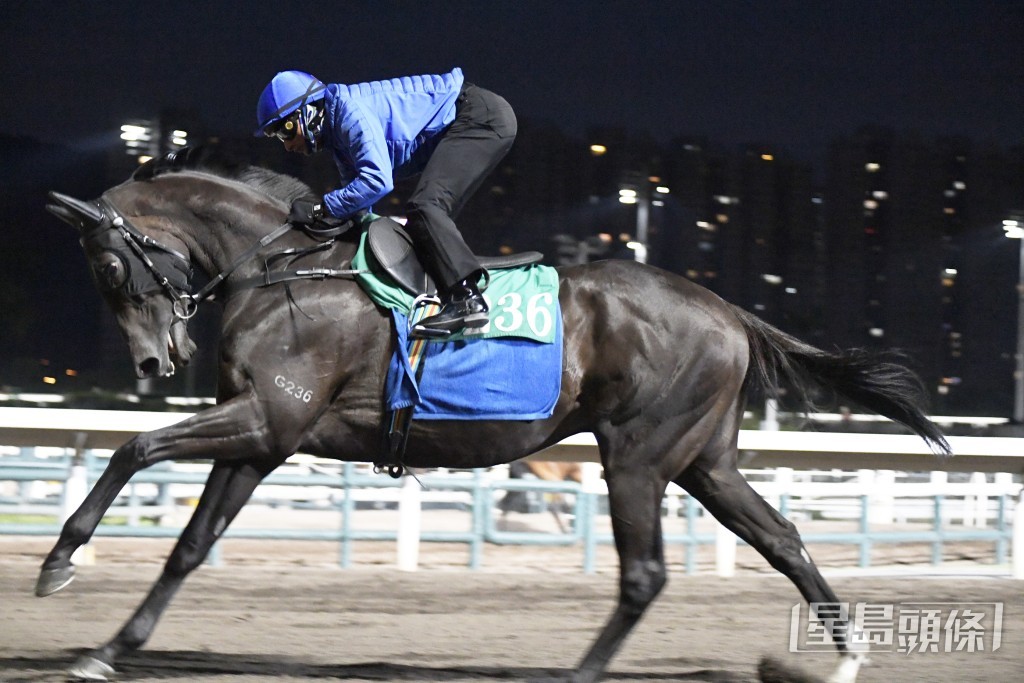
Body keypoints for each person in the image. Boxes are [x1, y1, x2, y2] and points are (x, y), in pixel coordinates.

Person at [254, 67, 517, 337]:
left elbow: (377, 182)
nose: (287, 146)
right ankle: (444, 298)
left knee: (425, 208)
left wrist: (321, 207)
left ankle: (467, 299)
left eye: (284, 134)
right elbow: (358, 208)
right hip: (473, 118)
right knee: (420, 223)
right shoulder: (338, 138)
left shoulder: (349, 112)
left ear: (305, 114)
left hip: (480, 117)